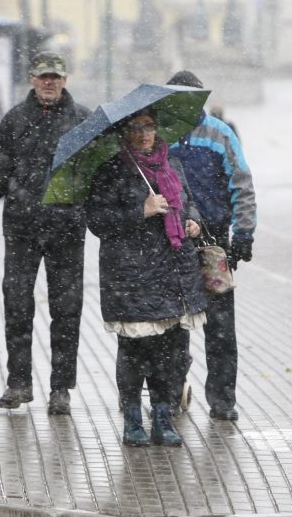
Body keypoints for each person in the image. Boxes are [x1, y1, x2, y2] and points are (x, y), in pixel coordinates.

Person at [0, 51, 90, 414]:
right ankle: (19, 382)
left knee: (67, 309)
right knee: (17, 304)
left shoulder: (82, 121)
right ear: (32, 79)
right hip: (22, 227)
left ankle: (61, 388)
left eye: (55, 76)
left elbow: (98, 173)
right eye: (43, 76)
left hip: (67, 228)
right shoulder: (16, 119)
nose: (49, 82)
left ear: (65, 80)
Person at [85, 109, 208, 447]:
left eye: (149, 127)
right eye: (136, 128)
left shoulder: (173, 166)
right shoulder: (112, 170)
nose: (144, 135)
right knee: (135, 352)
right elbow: (97, 220)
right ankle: (133, 419)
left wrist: (193, 220)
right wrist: (141, 210)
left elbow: (188, 203)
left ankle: (163, 415)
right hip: (131, 276)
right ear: (125, 133)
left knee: (169, 352)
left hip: (172, 272)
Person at [167, 70, 256, 421]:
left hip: (214, 243)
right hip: (172, 242)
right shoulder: (160, 136)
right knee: (172, 323)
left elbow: (242, 184)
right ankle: (173, 388)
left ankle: (222, 399)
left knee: (219, 326)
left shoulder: (220, 134)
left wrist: (244, 234)